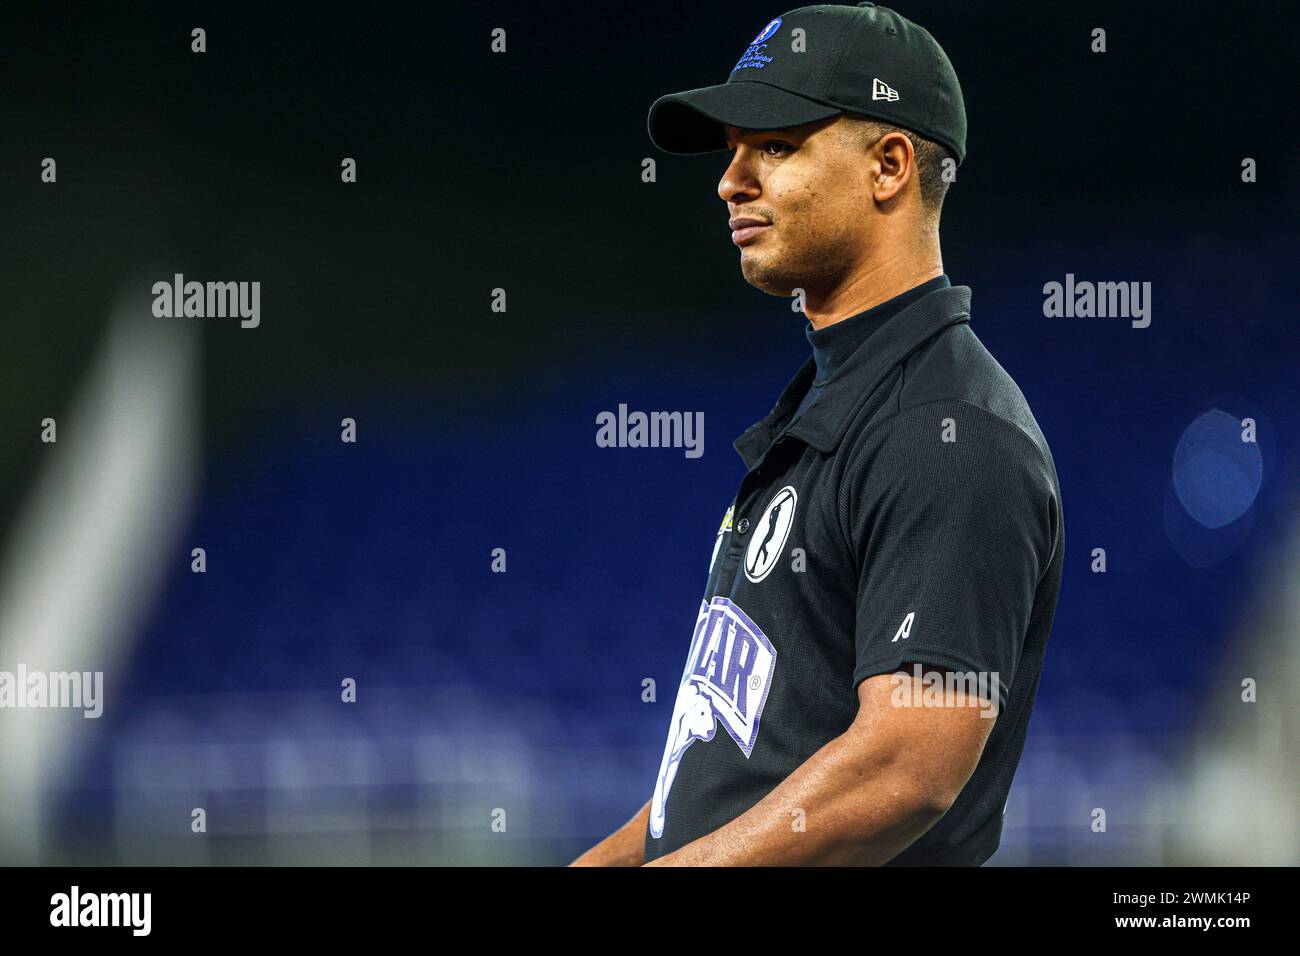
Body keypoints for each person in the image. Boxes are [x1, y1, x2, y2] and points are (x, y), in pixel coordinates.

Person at [572, 2, 1063, 866]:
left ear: (890, 166)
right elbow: (735, 767)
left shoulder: (948, 432)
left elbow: (905, 769)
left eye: (776, 145)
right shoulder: (838, 403)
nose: (731, 181)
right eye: (731, 151)